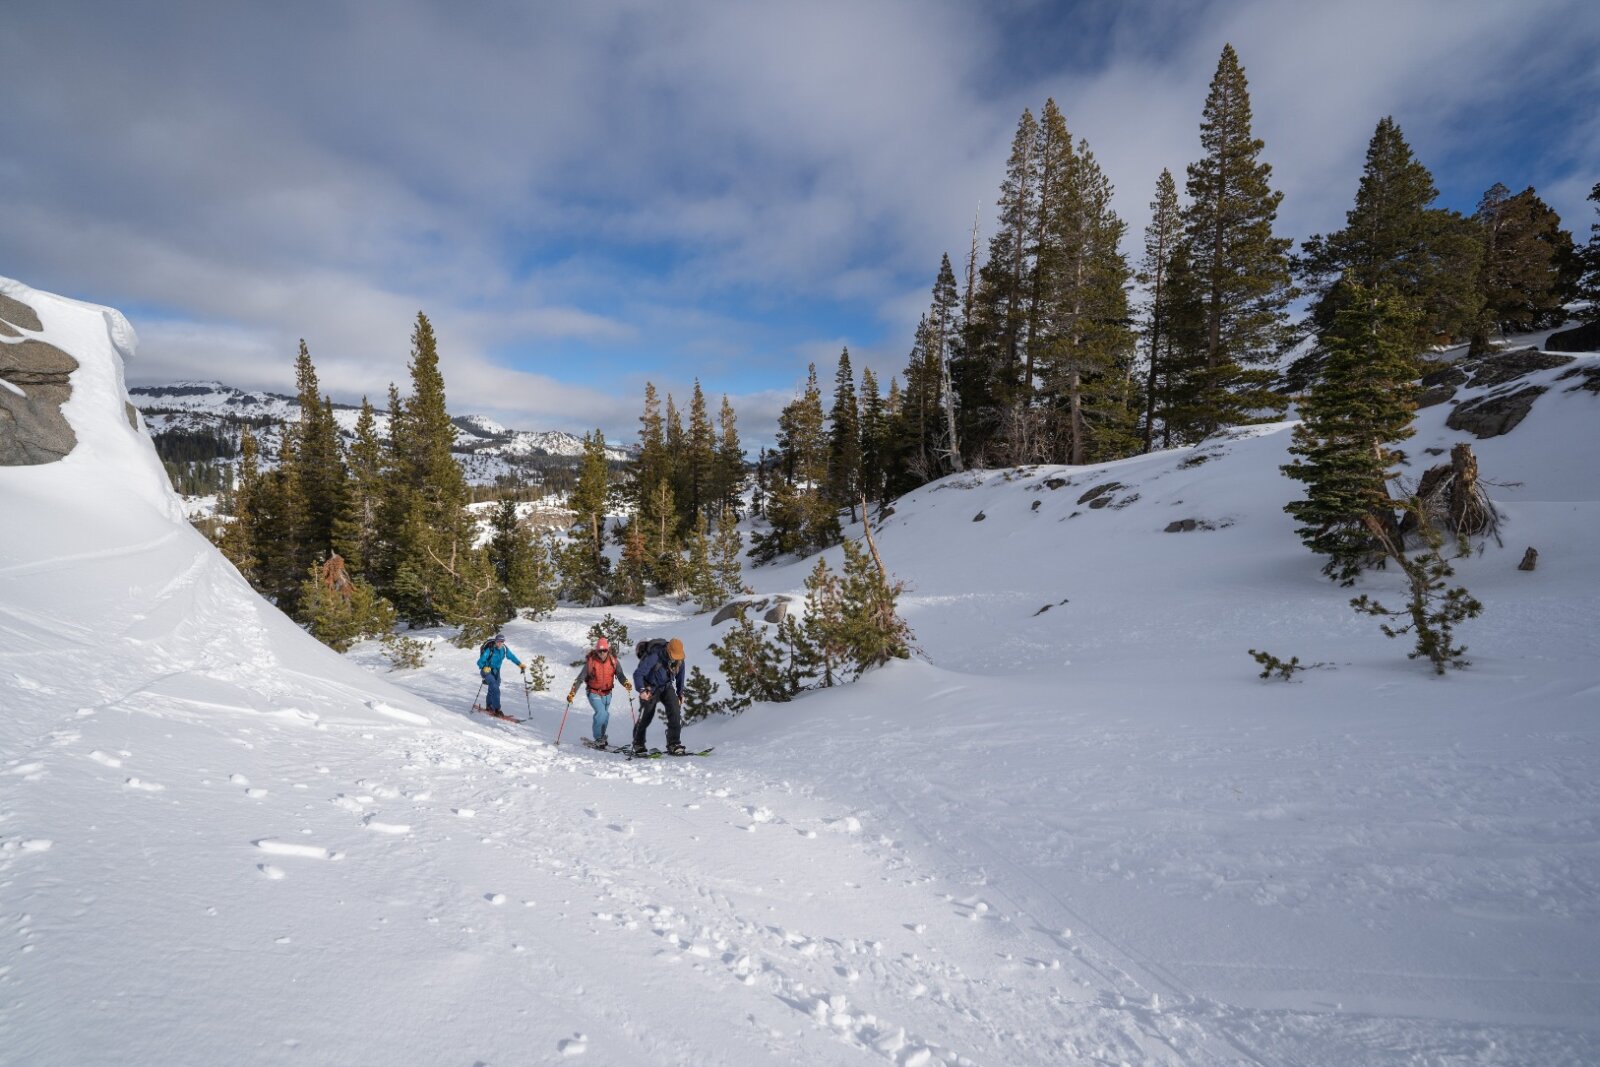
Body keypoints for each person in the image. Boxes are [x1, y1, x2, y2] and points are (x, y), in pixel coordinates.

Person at [566, 637, 633, 747]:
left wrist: (626, 683)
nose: (602, 653)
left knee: (605, 716)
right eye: (599, 651)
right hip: (593, 692)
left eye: (604, 650)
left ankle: (601, 737)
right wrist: (572, 692)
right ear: (597, 651)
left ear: (608, 650)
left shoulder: (613, 661)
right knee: (601, 713)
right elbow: (580, 679)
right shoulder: (591, 663)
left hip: (607, 693)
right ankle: (598, 737)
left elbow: (620, 675)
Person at [632, 637, 687, 755]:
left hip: (666, 686)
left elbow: (680, 676)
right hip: (650, 687)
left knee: (675, 710)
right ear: (668, 650)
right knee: (647, 714)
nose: (676, 658)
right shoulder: (654, 656)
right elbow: (638, 674)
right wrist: (642, 690)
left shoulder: (680, 659)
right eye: (674, 655)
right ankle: (638, 743)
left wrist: (681, 693)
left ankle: (674, 743)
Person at [475, 632, 524, 720]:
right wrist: (484, 667)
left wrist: (520, 664)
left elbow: (512, 657)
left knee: (494, 687)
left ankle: (489, 706)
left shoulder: (504, 649)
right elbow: (479, 662)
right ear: (495, 641)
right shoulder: (489, 649)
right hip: (486, 670)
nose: (500, 643)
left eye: (502, 641)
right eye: (498, 641)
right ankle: (497, 709)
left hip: (496, 671)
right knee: (495, 687)